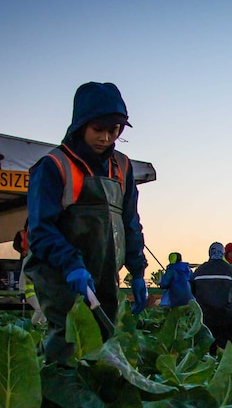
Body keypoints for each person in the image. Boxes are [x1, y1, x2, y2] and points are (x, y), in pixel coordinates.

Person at [25, 81, 147, 364]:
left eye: (114, 131)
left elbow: (130, 222)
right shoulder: (54, 166)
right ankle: (58, 402)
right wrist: (71, 265)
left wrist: (138, 270)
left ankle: (93, 405)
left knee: (103, 343)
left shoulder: (123, 166)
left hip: (103, 272)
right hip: (61, 274)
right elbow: (41, 230)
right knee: (68, 342)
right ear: (80, 125)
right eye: (98, 129)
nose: (105, 137)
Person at [190, 242, 232, 354]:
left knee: (205, 348)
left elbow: (192, 289)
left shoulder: (200, 270)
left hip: (205, 316)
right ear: (223, 253)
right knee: (224, 348)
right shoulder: (229, 269)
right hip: (225, 316)